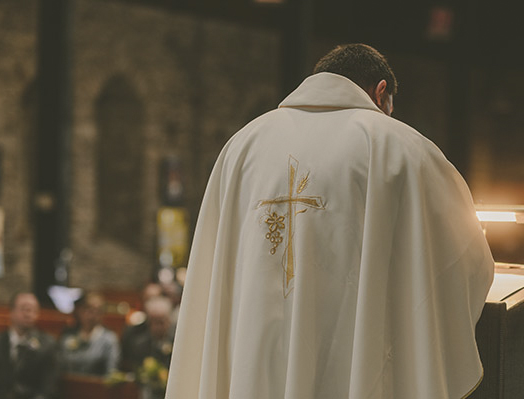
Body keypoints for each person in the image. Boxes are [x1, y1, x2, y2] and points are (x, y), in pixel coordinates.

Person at [165, 44, 494, 399]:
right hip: (352, 359)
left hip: (252, 354)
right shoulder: (401, 148)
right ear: (381, 92)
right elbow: (466, 259)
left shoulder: (242, 145)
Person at [0, 292, 59, 399]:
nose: (28, 314)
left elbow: (47, 390)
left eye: (33, 310)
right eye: (24, 309)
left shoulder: (47, 345)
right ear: (12, 312)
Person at [59, 291, 120, 377]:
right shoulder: (68, 335)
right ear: (80, 310)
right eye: (89, 309)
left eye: (98, 310)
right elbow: (60, 365)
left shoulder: (109, 339)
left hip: (96, 387)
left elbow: (111, 372)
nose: (93, 315)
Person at [121, 296, 176, 372]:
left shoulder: (176, 344)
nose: (158, 327)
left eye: (161, 322)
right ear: (149, 323)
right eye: (155, 322)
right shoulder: (139, 345)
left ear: (169, 322)